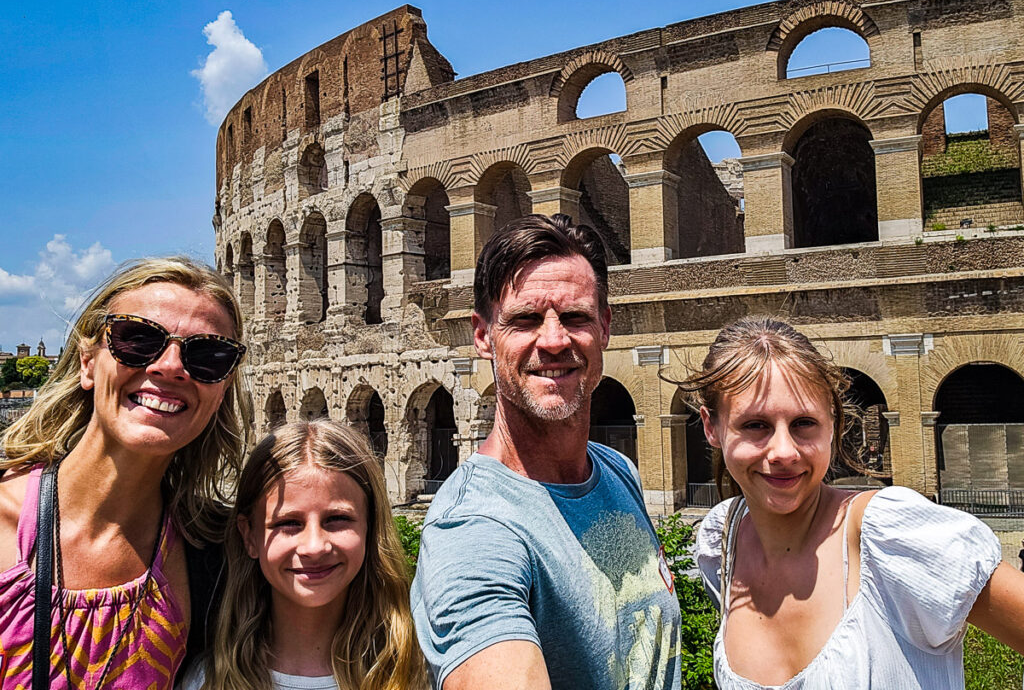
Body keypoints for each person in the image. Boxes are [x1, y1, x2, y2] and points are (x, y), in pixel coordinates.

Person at [411, 214, 682, 690]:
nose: (554, 340)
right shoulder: (472, 528)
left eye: (575, 317)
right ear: (482, 336)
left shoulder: (617, 471)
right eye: (525, 319)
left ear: (604, 327)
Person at [681, 316, 1024, 689]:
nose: (783, 451)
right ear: (711, 427)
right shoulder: (722, 541)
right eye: (755, 425)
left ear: (832, 423)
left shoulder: (892, 536)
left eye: (803, 423)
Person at [0, 257, 250, 688]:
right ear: (87, 363)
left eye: (208, 355)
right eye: (137, 340)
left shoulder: (219, 556)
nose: (169, 366)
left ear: (222, 388)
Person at [180, 419, 424, 690]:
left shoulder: (422, 675)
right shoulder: (206, 682)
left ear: (370, 526)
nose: (314, 546)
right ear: (249, 535)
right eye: (288, 523)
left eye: (337, 519)